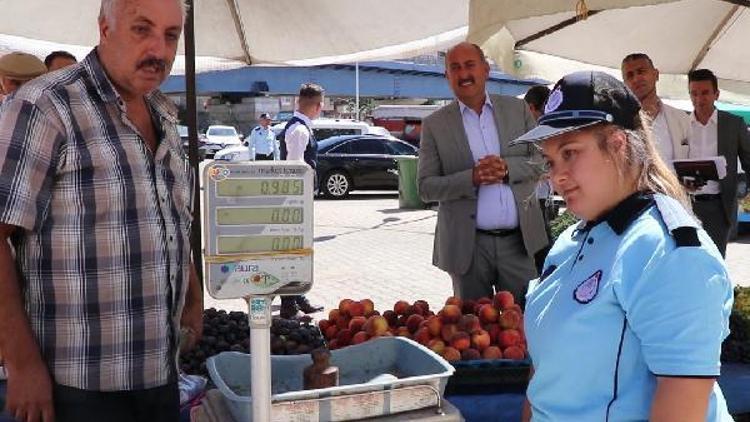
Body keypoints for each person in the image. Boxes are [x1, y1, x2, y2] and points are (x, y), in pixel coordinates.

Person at [0, 1, 203, 421]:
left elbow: (168, 216)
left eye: (170, 35)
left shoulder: (163, 112)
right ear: (105, 29)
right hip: (73, 387)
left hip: (159, 375)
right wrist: (21, 364)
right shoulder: (46, 106)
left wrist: (193, 294)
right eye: (141, 29)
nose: (159, 50)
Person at [513, 71, 733, 422]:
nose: (557, 176)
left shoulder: (667, 251)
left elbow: (683, 406)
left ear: (617, 144)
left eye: (570, 153)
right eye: (551, 161)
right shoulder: (571, 241)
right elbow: (544, 377)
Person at [418, 42, 547, 303]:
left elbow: (543, 159)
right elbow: (425, 188)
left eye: (470, 65)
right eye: (455, 68)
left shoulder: (517, 109)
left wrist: (508, 167)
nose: (464, 74)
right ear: (447, 76)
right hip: (468, 250)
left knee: (525, 325)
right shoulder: (434, 125)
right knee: (472, 331)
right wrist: (472, 178)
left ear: (486, 70)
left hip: (519, 244)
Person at [686, 68, 750, 257]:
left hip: (719, 207)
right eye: (694, 93)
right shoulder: (680, 122)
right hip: (686, 205)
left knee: (715, 260)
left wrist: (746, 190)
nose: (699, 99)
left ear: (716, 94)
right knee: (688, 260)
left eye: (705, 93)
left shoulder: (733, 124)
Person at [278, 83, 325, 319]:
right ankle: (289, 304)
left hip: (295, 199)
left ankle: (297, 297)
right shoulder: (300, 130)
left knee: (296, 251)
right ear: (317, 106)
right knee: (293, 252)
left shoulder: (299, 126)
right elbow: (295, 169)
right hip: (294, 200)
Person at [621, 53, 691, 163]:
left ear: (656, 74)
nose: (636, 79)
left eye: (641, 71)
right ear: (624, 84)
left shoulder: (681, 119)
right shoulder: (618, 123)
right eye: (630, 75)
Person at [524, 85, 555, 272]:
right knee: (539, 253)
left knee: (545, 250)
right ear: (531, 108)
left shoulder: (545, 129)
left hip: (545, 199)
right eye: (543, 111)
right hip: (530, 201)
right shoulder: (522, 132)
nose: (546, 116)